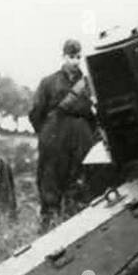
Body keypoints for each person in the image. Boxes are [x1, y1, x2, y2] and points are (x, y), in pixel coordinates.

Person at [29, 38, 96, 231]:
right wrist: (47, 134)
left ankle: (76, 227)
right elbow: (36, 112)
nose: (75, 61)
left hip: (81, 136)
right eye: (71, 57)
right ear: (63, 56)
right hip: (55, 136)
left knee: (79, 181)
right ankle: (48, 226)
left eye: (77, 57)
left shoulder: (88, 83)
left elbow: (94, 114)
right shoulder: (49, 82)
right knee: (50, 178)